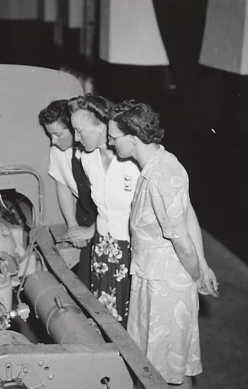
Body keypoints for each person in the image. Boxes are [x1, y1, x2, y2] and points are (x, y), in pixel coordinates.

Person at [108, 100, 218, 388]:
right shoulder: (158, 164)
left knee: (171, 371)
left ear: (132, 139)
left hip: (166, 285)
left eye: (113, 137)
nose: (110, 143)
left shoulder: (162, 175)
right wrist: (204, 265)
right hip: (150, 277)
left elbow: (182, 243)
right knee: (158, 364)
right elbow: (188, 211)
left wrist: (197, 274)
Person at [67, 93, 141, 327]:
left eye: (80, 131)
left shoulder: (132, 160)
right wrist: (92, 230)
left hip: (133, 249)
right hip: (103, 249)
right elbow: (103, 205)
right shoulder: (88, 160)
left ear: (101, 128)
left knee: (131, 317)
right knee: (105, 316)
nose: (76, 138)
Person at [38, 100, 97, 288]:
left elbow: (112, 202)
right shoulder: (58, 151)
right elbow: (62, 186)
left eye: (57, 134)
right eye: (50, 135)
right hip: (86, 215)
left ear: (74, 130)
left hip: (108, 219)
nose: (53, 141)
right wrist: (73, 227)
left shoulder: (95, 153)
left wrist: (92, 231)